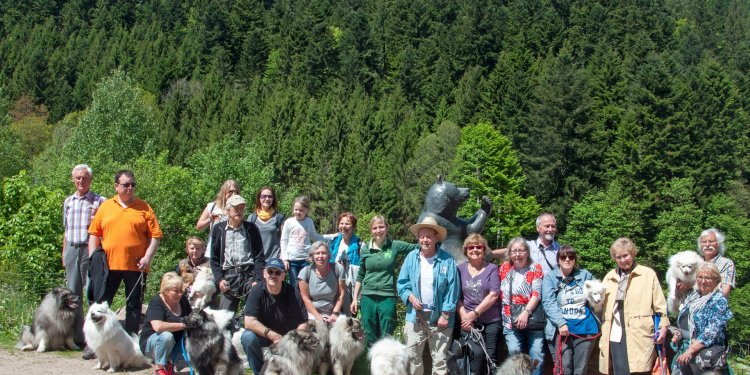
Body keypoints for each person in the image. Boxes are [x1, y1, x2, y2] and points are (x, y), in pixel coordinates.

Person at [88, 170, 163, 334]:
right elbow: (94, 233)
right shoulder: (106, 206)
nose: (130, 188)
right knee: (101, 304)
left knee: (134, 305)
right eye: (125, 185)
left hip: (136, 265)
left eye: (132, 185)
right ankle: (95, 342)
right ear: (116, 186)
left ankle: (131, 342)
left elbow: (155, 235)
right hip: (108, 265)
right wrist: (93, 258)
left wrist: (148, 257)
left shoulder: (144, 207)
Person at [397, 216, 459, 375]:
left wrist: (445, 315)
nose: (425, 240)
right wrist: (410, 297)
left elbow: (453, 289)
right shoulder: (411, 258)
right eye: (421, 236)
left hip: (440, 317)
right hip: (415, 317)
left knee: (439, 359)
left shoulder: (447, 260)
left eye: (428, 236)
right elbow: (402, 284)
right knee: (413, 358)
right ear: (418, 238)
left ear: (436, 237)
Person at [599, 237, 669, 375]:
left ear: (632, 254)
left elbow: (660, 305)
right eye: (618, 257)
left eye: (626, 255)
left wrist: (663, 327)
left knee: (640, 370)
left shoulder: (648, 274)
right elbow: (600, 306)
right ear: (614, 258)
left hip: (639, 332)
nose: (623, 260)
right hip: (615, 332)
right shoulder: (609, 277)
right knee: (620, 370)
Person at [350, 215, 418, 346]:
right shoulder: (365, 249)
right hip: (367, 296)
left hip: (387, 296)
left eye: (381, 226)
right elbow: (361, 275)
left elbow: (416, 248)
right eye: (375, 228)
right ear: (371, 230)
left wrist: (432, 241)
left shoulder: (394, 246)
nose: (378, 230)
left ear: (387, 228)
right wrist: (354, 298)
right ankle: (372, 364)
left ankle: (386, 363)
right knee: (369, 333)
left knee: (387, 333)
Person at [62, 164, 105, 358]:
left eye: (84, 178)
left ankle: (93, 340)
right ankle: (76, 337)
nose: (81, 181)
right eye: (78, 178)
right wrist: (64, 253)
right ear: (73, 179)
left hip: (90, 250)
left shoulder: (99, 201)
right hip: (72, 248)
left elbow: (105, 229)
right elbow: (66, 230)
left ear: (90, 179)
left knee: (91, 293)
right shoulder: (68, 201)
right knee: (72, 295)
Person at [240, 258, 308, 374]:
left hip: (287, 337)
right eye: (270, 271)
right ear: (264, 274)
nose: (273, 275)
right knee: (247, 337)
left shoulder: (292, 292)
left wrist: (291, 340)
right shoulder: (256, 291)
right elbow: (249, 321)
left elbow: (303, 323)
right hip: (263, 335)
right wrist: (273, 336)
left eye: (277, 272)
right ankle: (259, 371)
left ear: (283, 276)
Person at [541, 245, 599, 375]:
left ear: (575, 259)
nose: (567, 259)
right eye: (563, 257)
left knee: (581, 368)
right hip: (560, 331)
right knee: (563, 367)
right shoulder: (550, 278)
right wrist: (561, 323)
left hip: (586, 328)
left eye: (571, 257)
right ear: (558, 260)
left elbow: (597, 295)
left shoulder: (585, 275)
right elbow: (548, 302)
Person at [672, 263, 732, 374]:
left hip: (705, 355)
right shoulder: (694, 296)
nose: (703, 281)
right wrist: (679, 333)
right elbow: (687, 320)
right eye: (700, 277)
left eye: (708, 278)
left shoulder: (718, 300)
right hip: (686, 350)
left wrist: (690, 351)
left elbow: (711, 332)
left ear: (716, 280)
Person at [209, 194, 265, 312]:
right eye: (236, 208)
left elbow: (260, 256)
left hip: (249, 275)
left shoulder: (251, 228)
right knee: (224, 317)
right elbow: (214, 259)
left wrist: (258, 279)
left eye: (242, 208)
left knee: (256, 313)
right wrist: (220, 279)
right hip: (229, 277)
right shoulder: (218, 229)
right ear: (228, 210)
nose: (239, 211)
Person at [499, 237, 545, 375]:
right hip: (509, 320)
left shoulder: (535, 268)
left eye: (521, 250)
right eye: (514, 251)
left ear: (527, 252)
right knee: (514, 352)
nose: (517, 254)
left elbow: (536, 294)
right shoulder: (504, 268)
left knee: (536, 354)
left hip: (532, 317)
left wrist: (525, 312)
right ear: (509, 253)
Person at [457, 234, 501, 375]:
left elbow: (494, 294)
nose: (475, 249)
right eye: (471, 247)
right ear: (466, 250)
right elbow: (456, 297)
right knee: (475, 356)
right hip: (468, 323)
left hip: (490, 321)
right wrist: (465, 318)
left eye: (479, 247)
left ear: (484, 250)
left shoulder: (492, 268)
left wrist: (475, 313)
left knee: (490, 358)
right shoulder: (459, 269)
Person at [139, 272, 192, 375]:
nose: (180, 294)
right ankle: (160, 368)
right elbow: (158, 327)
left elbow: (191, 319)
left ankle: (171, 363)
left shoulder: (183, 300)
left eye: (181, 290)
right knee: (166, 336)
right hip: (153, 344)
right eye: (176, 291)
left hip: (177, 344)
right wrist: (183, 325)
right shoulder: (156, 302)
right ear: (166, 291)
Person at [279, 196, 329, 288]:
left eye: (301, 210)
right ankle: (295, 302)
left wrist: (329, 237)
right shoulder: (289, 222)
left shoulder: (309, 221)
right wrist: (284, 258)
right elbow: (284, 240)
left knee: (305, 283)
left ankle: (305, 301)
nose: (298, 212)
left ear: (307, 210)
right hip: (292, 259)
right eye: (296, 209)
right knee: (294, 284)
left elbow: (314, 236)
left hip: (305, 259)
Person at [298, 241, 346, 322]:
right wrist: (319, 318)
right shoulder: (305, 272)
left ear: (328, 255)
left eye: (323, 253)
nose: (320, 256)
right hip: (313, 313)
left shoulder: (338, 269)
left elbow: (341, 294)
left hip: (333, 311)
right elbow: (306, 299)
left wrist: (335, 313)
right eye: (317, 253)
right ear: (312, 256)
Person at [196, 180, 240, 258]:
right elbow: (199, 227)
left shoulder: (239, 209)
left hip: (231, 254)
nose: (233, 194)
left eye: (236, 192)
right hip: (213, 252)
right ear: (224, 192)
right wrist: (210, 219)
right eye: (230, 191)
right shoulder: (212, 207)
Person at [329, 212, 361, 316]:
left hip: (350, 287)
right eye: (341, 223)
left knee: (349, 319)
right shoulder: (333, 243)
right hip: (333, 285)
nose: (343, 226)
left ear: (353, 227)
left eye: (347, 224)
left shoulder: (360, 245)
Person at [247, 187, 285, 260]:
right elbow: (247, 240)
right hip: (256, 260)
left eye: (270, 196)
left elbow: (284, 239)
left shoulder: (279, 218)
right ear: (259, 198)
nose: (267, 199)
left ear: (273, 199)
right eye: (264, 196)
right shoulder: (252, 218)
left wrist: (283, 256)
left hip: (274, 260)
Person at [697, 228, 735, 297]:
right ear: (700, 245)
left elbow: (724, 292)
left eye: (711, 241)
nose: (707, 245)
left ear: (718, 244)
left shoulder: (726, 263)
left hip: (713, 306)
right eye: (704, 242)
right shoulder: (694, 262)